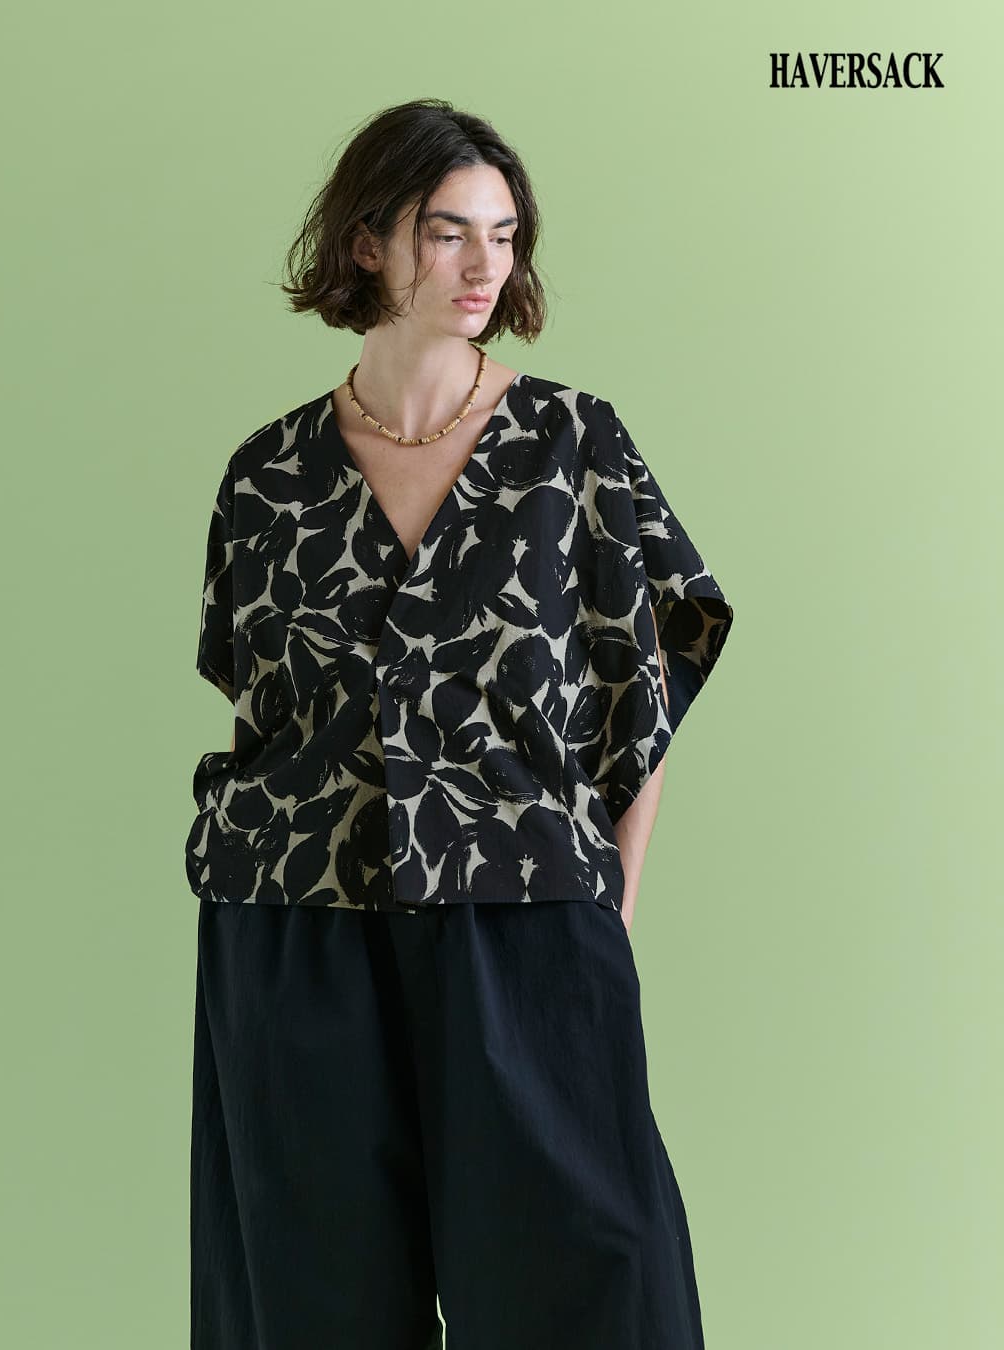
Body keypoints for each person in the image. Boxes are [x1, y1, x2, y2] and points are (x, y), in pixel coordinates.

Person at [187, 98, 734, 1350]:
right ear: (368, 241)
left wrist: (610, 898)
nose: (486, 264)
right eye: (448, 232)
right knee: (308, 1299)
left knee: (593, 1281)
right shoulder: (266, 476)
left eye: (504, 233)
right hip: (297, 925)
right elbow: (255, 700)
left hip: (523, 914)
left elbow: (646, 680)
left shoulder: (573, 444)